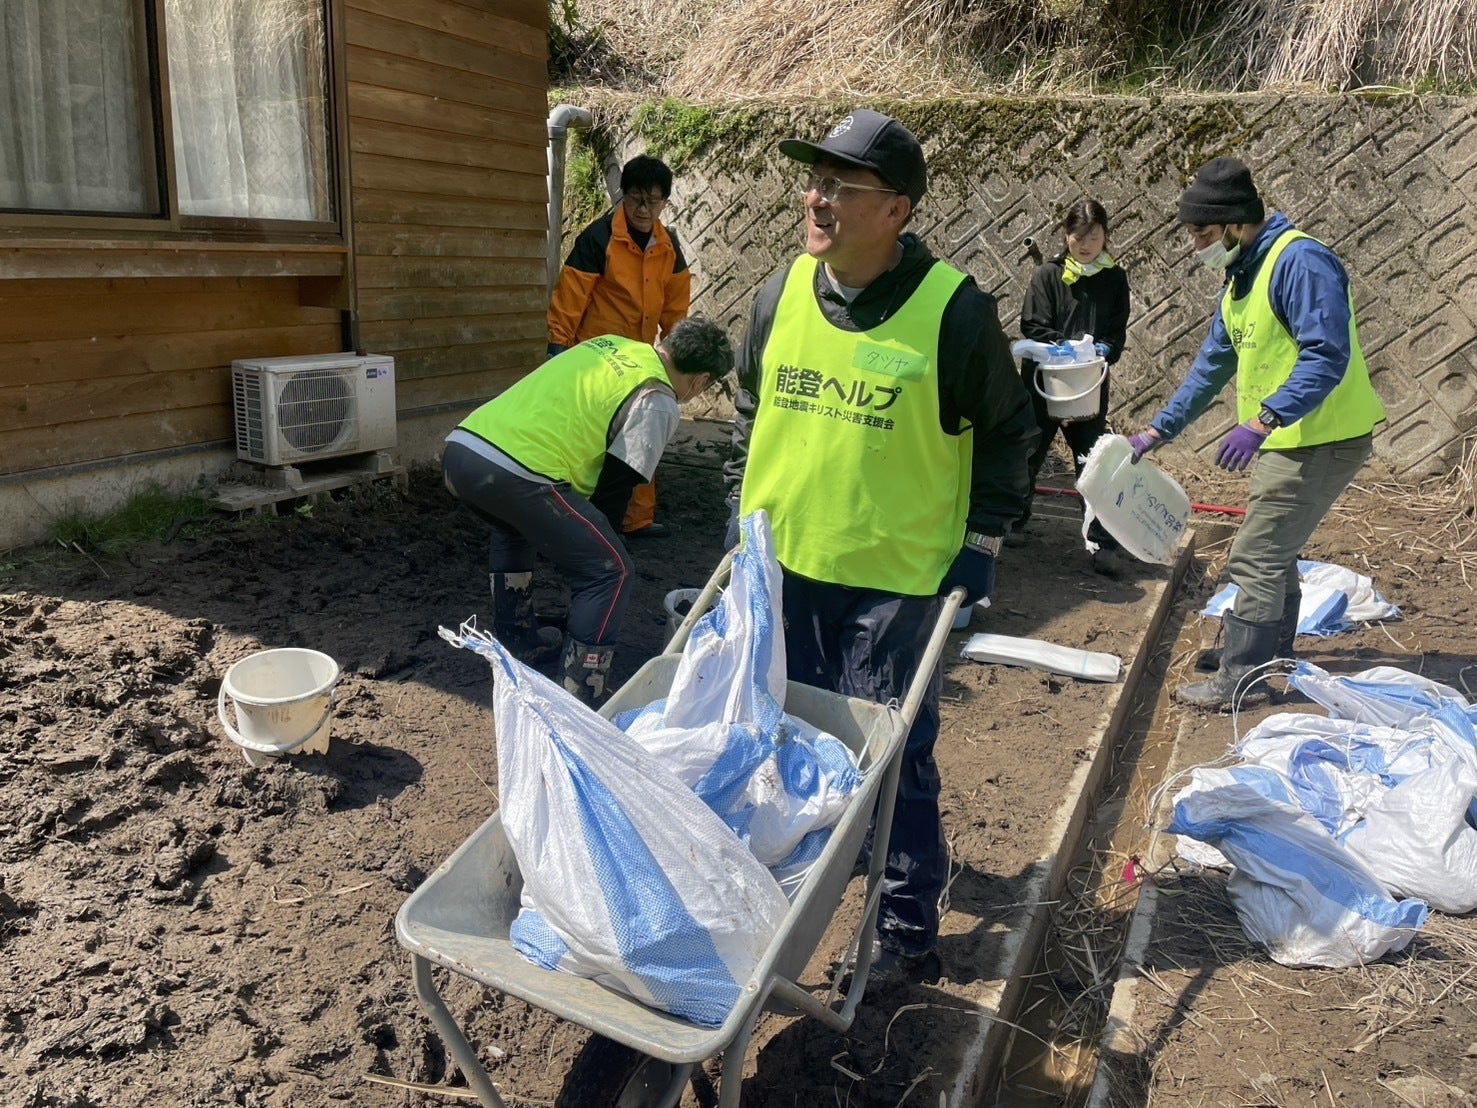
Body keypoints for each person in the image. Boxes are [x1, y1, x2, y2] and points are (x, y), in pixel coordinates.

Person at [725, 109, 1038, 982]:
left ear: (896, 209)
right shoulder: (781, 291)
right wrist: (738, 512)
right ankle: (801, 882)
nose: (814, 198)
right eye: (812, 180)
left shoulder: (951, 311)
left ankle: (903, 930)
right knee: (783, 737)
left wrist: (982, 542)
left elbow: (1007, 432)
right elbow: (751, 405)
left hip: (893, 584)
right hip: (783, 568)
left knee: (892, 756)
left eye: (839, 185)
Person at [1127, 156, 1385, 710]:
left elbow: (1326, 354)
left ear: (1237, 223)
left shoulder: (1301, 263)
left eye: (1203, 235)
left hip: (1319, 437)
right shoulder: (1242, 276)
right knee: (1276, 551)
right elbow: (1211, 365)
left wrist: (1264, 418)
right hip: (1288, 437)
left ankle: (1241, 680)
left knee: (1256, 556)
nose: (1198, 247)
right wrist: (1157, 431)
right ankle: (1269, 655)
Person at [443, 318, 732, 705]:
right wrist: (594, 555)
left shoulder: (613, 344)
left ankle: (519, 640)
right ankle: (581, 688)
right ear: (701, 380)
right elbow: (617, 485)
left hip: (464, 451)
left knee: (514, 528)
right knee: (611, 571)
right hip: (520, 473)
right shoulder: (657, 398)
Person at [547, 154, 692, 540]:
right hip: (595, 360)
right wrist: (557, 349)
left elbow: (676, 310)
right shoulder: (598, 239)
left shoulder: (669, 247)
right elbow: (570, 298)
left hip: (641, 361)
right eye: (636, 199)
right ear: (623, 196)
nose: (644, 209)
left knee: (642, 435)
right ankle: (579, 518)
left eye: (653, 201)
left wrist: (677, 356)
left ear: (665, 202)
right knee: (590, 442)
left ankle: (636, 519)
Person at [1017, 199, 1132, 576]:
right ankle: (1010, 523)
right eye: (1078, 237)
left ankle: (1102, 541)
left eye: (1094, 237)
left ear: (1106, 237)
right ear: (1066, 235)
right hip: (1045, 381)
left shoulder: (1113, 277)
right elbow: (1032, 325)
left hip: (1087, 384)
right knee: (1027, 450)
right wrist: (1061, 347)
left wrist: (1105, 348)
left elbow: (1116, 329)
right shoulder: (1048, 275)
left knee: (1092, 458)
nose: (1085, 245)